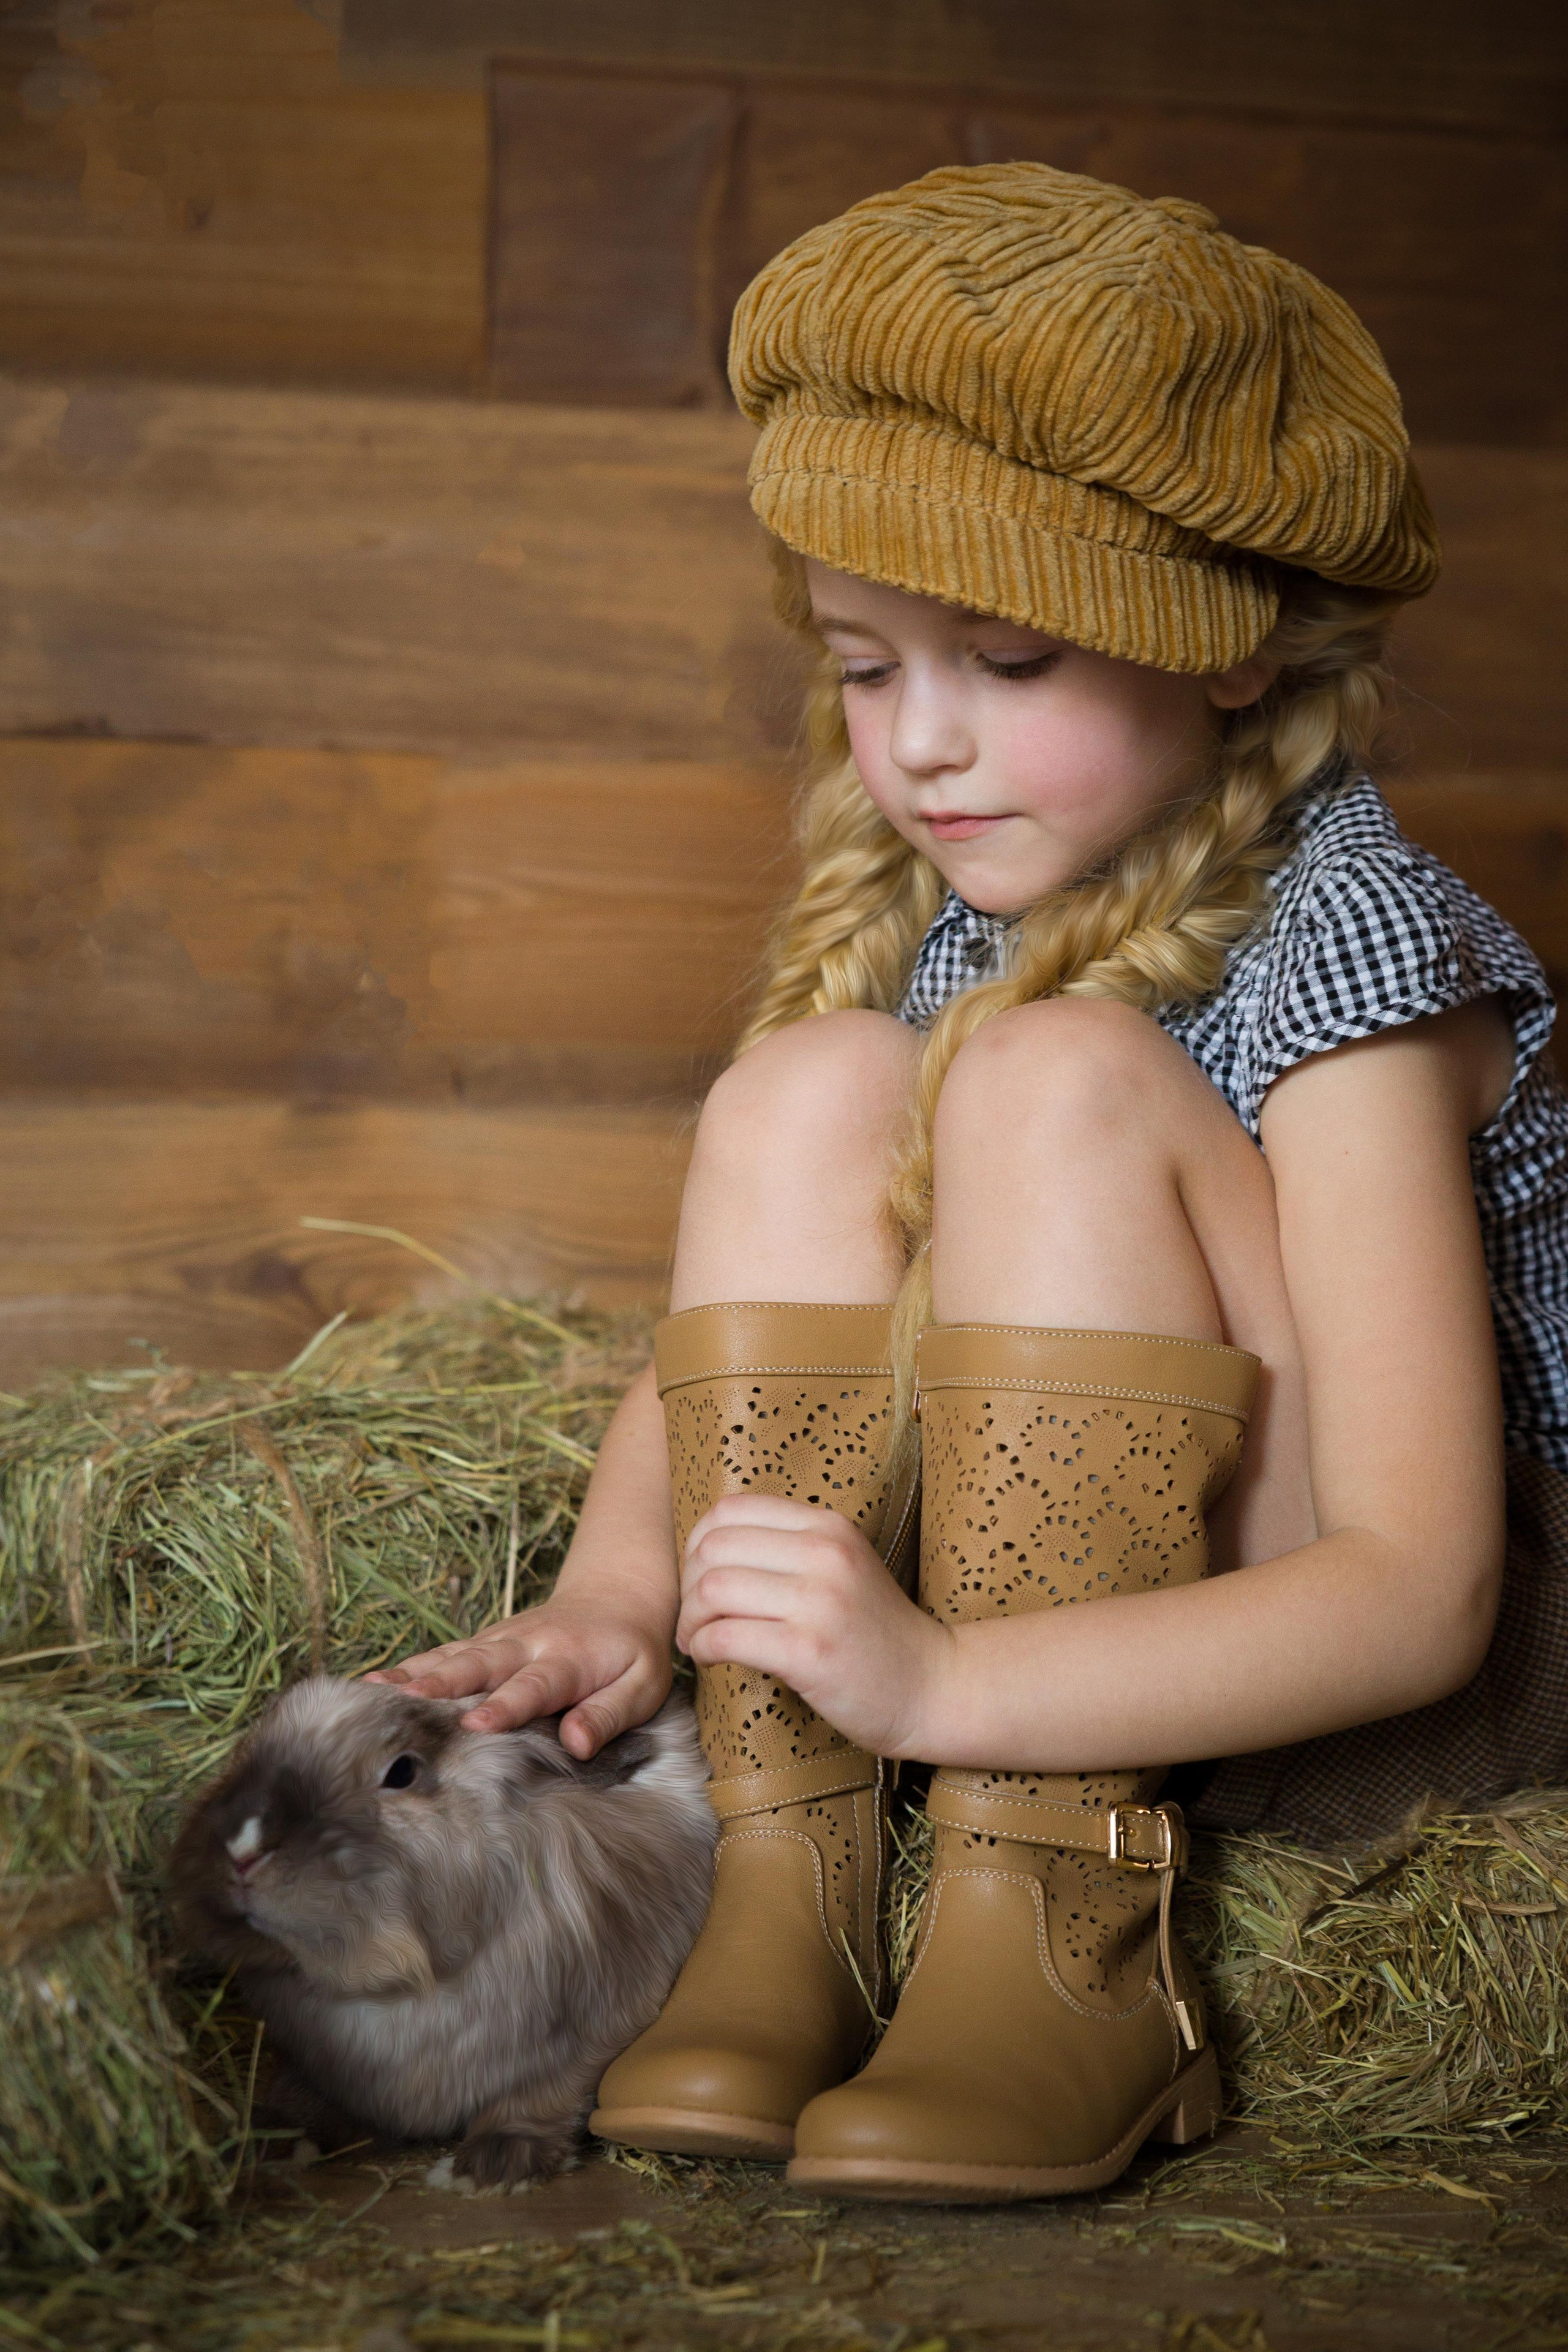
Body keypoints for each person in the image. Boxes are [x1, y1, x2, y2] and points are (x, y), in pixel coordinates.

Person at [372, 165, 1568, 2202]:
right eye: (864, 663)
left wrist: (949, 1683)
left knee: (1051, 1074)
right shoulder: (969, 901)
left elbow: (1424, 1588)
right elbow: (778, 1316)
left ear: (1233, 656)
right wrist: (615, 1592)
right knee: (815, 1083)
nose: (922, 747)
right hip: (1094, 1602)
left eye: (1009, 662)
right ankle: (793, 1888)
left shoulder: (1361, 947)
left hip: (1409, 1668)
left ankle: (1060, 1937)